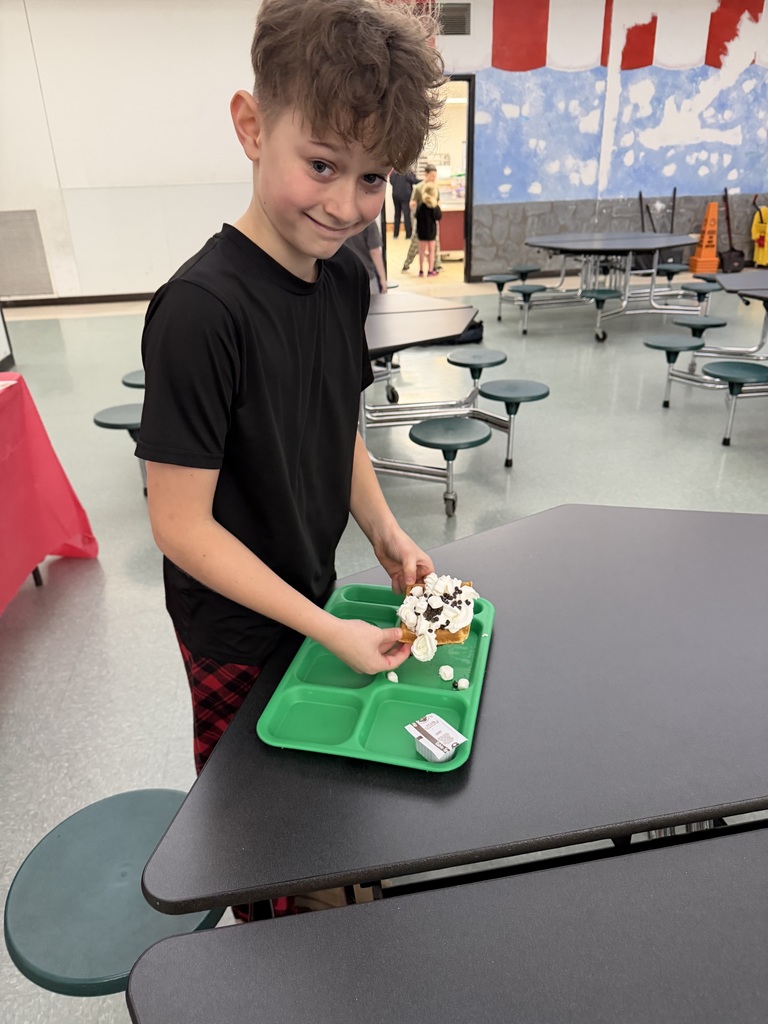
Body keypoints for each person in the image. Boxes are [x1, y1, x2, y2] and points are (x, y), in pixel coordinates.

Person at [136, 0, 444, 802]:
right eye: (322, 164)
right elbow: (178, 524)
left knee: (320, 795)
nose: (346, 206)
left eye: (373, 177)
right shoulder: (201, 311)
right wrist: (327, 627)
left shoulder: (344, 275)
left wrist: (384, 530)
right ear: (251, 126)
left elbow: (333, 423)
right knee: (253, 811)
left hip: (314, 590)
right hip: (232, 630)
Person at [401, 164, 442, 272]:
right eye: (431, 176)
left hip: (432, 220)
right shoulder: (418, 187)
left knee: (435, 242)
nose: (433, 178)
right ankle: (407, 263)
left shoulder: (436, 187)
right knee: (416, 242)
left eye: (435, 176)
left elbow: (438, 201)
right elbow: (412, 203)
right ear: (426, 174)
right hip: (421, 220)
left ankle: (436, 265)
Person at [344, 220, 388, 292]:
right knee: (372, 302)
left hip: (342, 275)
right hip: (365, 275)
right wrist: (383, 279)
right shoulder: (369, 221)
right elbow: (375, 251)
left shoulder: (339, 220)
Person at [416, 182, 442, 276]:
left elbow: (416, 216)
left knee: (422, 251)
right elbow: (438, 217)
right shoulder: (434, 206)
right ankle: (430, 270)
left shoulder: (421, 205)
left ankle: (421, 270)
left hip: (421, 231)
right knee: (431, 251)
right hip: (431, 231)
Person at [389, 167, 419, 239]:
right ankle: (408, 235)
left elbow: (391, 182)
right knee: (406, 215)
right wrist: (424, 180)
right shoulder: (407, 171)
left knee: (397, 215)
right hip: (405, 195)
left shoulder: (393, 172)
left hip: (395, 195)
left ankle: (395, 234)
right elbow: (414, 180)